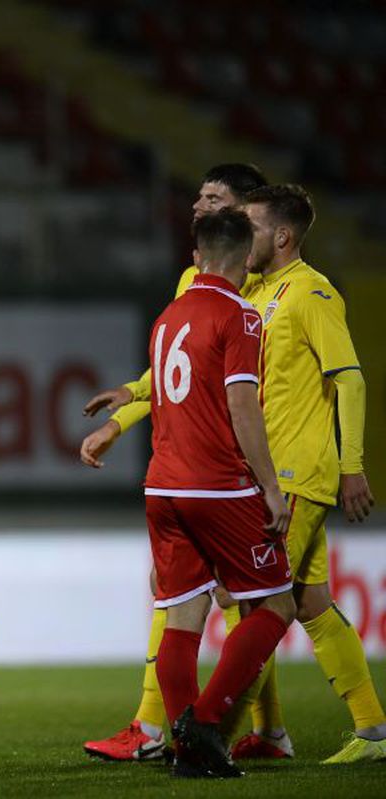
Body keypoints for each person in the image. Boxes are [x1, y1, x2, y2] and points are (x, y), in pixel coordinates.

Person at [78, 163, 268, 761]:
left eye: (213, 198)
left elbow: (183, 380)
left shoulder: (206, 303)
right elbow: (216, 391)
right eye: (200, 195)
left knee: (202, 610)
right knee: (268, 603)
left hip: (193, 475)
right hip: (223, 474)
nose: (198, 204)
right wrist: (124, 408)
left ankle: (195, 734)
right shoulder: (226, 299)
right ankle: (191, 727)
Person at [140, 207, 295, 778]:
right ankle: (205, 724)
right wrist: (271, 489)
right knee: (278, 603)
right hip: (217, 486)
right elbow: (241, 403)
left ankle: (188, 748)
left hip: (163, 484)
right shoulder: (242, 315)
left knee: (182, 617)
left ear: (199, 255)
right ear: (245, 255)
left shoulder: (167, 315)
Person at [231, 185, 382, 764]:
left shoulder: (312, 292)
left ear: (283, 236)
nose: (244, 237)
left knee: (258, 602)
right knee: (310, 601)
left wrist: (353, 468)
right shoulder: (262, 291)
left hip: (296, 472)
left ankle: (219, 733)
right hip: (272, 472)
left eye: (252, 225)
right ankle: (371, 730)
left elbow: (350, 378)